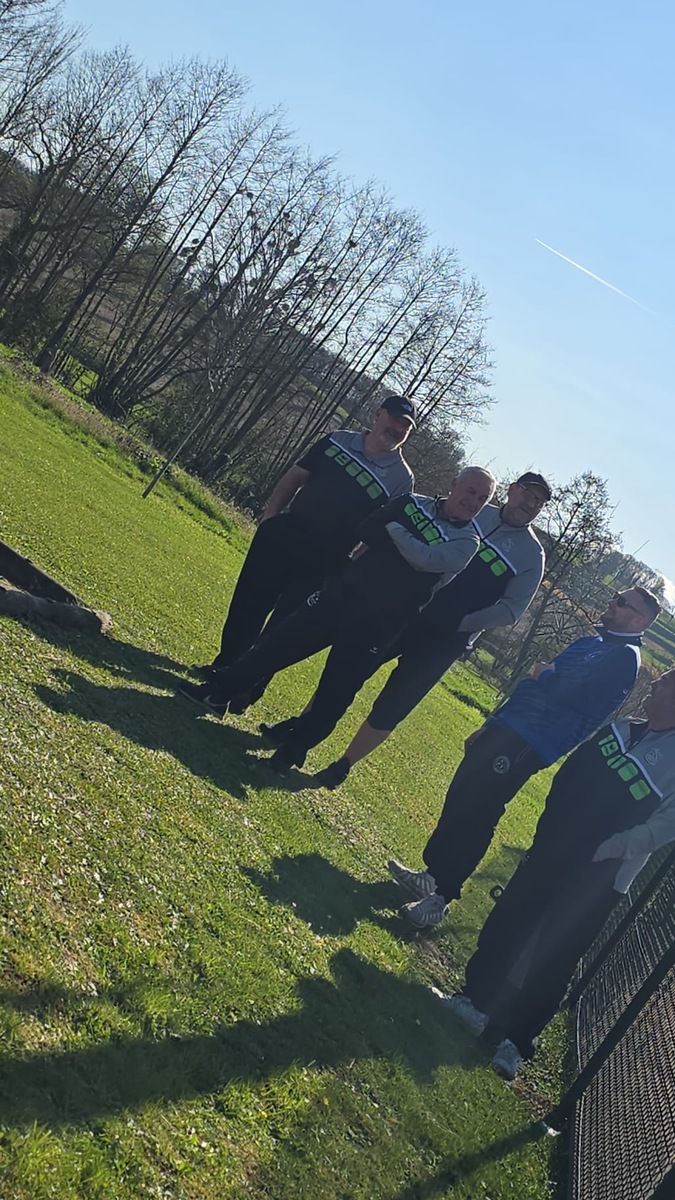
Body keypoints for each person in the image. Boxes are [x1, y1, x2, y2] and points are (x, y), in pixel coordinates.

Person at [434, 664, 675, 1081]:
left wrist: (610, 849)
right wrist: (552, 827)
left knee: (557, 953)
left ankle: (516, 1042)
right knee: (511, 917)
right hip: (553, 847)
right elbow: (571, 773)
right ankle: (475, 1002)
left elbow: (663, 828)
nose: (655, 683)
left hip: (600, 874)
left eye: (667, 681)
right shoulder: (621, 728)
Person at [178, 468, 496, 771]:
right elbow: (368, 528)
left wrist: (395, 530)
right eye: (471, 491)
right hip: (343, 594)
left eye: (482, 499)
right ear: (454, 484)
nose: (474, 501)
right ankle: (219, 693)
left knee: (337, 690)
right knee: (278, 644)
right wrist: (400, 543)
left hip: (381, 622)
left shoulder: (468, 542)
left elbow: (424, 560)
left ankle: (293, 750)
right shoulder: (412, 501)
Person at [388, 585, 661, 929]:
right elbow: (533, 686)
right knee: (461, 793)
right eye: (616, 596)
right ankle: (432, 875)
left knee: (480, 808)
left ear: (638, 620)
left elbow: (576, 699)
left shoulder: (624, 659)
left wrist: (545, 674)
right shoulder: (591, 642)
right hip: (508, 727)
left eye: (622, 602)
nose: (612, 602)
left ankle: (442, 895)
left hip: (532, 742)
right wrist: (492, 723)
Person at [269, 472, 550, 789]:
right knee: (347, 671)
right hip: (403, 609)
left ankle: (343, 765)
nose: (532, 504)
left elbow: (511, 611)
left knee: (396, 701)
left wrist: (457, 623)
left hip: (445, 638)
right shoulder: (474, 508)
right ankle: (299, 730)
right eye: (528, 494)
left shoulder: (532, 555)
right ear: (512, 490)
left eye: (539, 502)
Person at [199, 396, 417, 711]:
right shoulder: (338, 439)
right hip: (286, 534)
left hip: (328, 560)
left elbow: (380, 532)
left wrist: (352, 563)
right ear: (378, 414)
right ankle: (224, 667)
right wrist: (270, 519)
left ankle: (247, 689)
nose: (398, 429)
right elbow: (296, 475)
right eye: (395, 419)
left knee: (285, 627)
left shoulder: (402, 479)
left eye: (406, 425)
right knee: (248, 604)